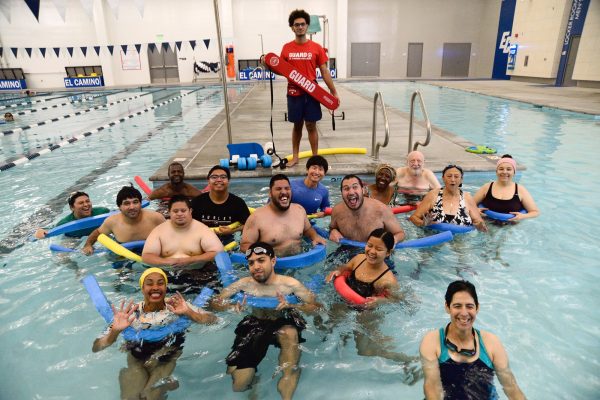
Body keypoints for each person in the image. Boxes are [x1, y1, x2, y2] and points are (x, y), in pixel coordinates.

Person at [210, 242, 321, 400]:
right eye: (251, 263)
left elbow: (316, 306)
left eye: (261, 260)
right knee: (238, 385)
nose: (256, 266)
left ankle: (288, 384)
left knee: (288, 333)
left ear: (273, 261)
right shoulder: (244, 284)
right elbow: (215, 303)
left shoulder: (290, 285)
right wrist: (231, 305)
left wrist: (292, 305)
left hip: (284, 320)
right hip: (256, 322)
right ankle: (254, 384)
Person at [92, 267, 217, 400]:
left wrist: (189, 312)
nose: (155, 287)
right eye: (150, 283)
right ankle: (167, 384)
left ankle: (165, 385)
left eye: (160, 283)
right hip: (137, 361)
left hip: (166, 359)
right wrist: (115, 331)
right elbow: (97, 347)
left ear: (165, 286)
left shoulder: (180, 307)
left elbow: (213, 320)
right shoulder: (130, 314)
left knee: (150, 395)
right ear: (142, 288)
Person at [420, 280, 527, 399]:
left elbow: (511, 387)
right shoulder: (432, 341)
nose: (464, 313)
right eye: (457, 306)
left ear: (477, 308)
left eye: (469, 306)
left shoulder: (491, 342)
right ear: (447, 307)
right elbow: (432, 388)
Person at [326, 229, 417, 366]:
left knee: (364, 350)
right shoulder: (359, 259)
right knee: (330, 325)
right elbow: (346, 267)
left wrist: (381, 301)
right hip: (346, 301)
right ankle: (339, 350)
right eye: (369, 245)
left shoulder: (387, 280)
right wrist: (337, 271)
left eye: (379, 249)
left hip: (367, 311)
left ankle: (406, 360)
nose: (372, 251)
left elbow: (399, 299)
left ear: (388, 253)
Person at [270, 9, 339, 167]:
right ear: (292, 28)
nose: (300, 27)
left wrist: (333, 91)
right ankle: (295, 157)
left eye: (302, 24)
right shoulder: (286, 48)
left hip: (312, 92)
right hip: (294, 93)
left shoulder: (316, 47)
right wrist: (267, 64)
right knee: (297, 125)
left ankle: (314, 158)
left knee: (311, 125)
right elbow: (280, 68)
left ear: (307, 26)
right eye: (296, 25)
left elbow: (324, 70)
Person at [142, 195, 224, 286]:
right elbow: (146, 256)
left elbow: (218, 252)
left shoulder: (202, 230)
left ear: (190, 211)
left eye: (183, 210)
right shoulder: (159, 231)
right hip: (167, 274)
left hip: (197, 273)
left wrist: (190, 260)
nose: (179, 214)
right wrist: (168, 262)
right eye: (175, 211)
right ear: (169, 212)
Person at [240, 174, 327, 256]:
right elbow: (244, 245)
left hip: (299, 263)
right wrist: (263, 255)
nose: (284, 192)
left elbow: (307, 229)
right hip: (274, 267)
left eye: (287, 188)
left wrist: (315, 236)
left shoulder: (299, 210)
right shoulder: (256, 218)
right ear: (270, 193)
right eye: (278, 189)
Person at [82, 185, 165, 255]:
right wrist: (88, 245)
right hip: (124, 255)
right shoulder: (112, 222)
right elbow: (98, 233)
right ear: (119, 207)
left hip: (152, 253)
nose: (132, 207)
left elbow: (172, 233)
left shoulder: (155, 218)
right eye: (126, 203)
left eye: (135, 202)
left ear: (141, 204)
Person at [329, 174, 405, 244]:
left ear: (363, 190)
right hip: (347, 249)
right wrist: (333, 231)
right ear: (341, 193)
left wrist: (391, 242)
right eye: (346, 189)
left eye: (355, 187)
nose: (351, 192)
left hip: (375, 252)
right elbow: (332, 228)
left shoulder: (381, 209)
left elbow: (400, 234)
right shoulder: (337, 211)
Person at [409, 165, 487, 232]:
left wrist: (480, 224)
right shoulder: (433, 195)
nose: (452, 179)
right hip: (435, 240)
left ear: (461, 180)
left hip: (461, 243)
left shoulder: (467, 198)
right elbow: (414, 218)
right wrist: (423, 223)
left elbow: (478, 222)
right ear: (443, 178)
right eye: (449, 176)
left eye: (456, 176)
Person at [191, 165, 251, 246]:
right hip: (202, 241)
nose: (219, 180)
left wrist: (232, 231)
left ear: (228, 181)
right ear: (208, 181)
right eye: (214, 177)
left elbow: (249, 225)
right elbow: (188, 224)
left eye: (223, 177)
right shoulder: (197, 202)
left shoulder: (237, 203)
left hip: (230, 242)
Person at [473, 155, 539, 222]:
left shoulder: (520, 190)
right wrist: (475, 210)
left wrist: (523, 216)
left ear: (514, 172)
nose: (504, 172)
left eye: (509, 169)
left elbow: (535, 212)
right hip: (486, 223)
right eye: (501, 169)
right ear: (496, 171)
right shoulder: (487, 187)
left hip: (510, 227)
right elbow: (469, 204)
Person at [34, 191, 110, 239]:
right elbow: (50, 229)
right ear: (72, 207)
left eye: (87, 201)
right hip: (74, 237)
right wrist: (39, 231)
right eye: (81, 203)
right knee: (61, 258)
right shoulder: (65, 223)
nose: (86, 204)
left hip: (100, 234)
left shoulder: (102, 212)